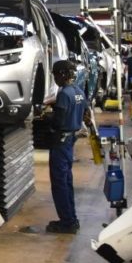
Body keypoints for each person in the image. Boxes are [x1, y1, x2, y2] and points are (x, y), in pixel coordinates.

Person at [43, 59, 91, 234]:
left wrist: (47, 116)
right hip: (70, 141)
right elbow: (84, 111)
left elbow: (59, 120)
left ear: (62, 74)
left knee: (59, 183)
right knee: (67, 181)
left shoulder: (64, 94)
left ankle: (67, 222)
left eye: (56, 75)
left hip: (60, 142)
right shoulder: (78, 91)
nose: (55, 79)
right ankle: (71, 218)